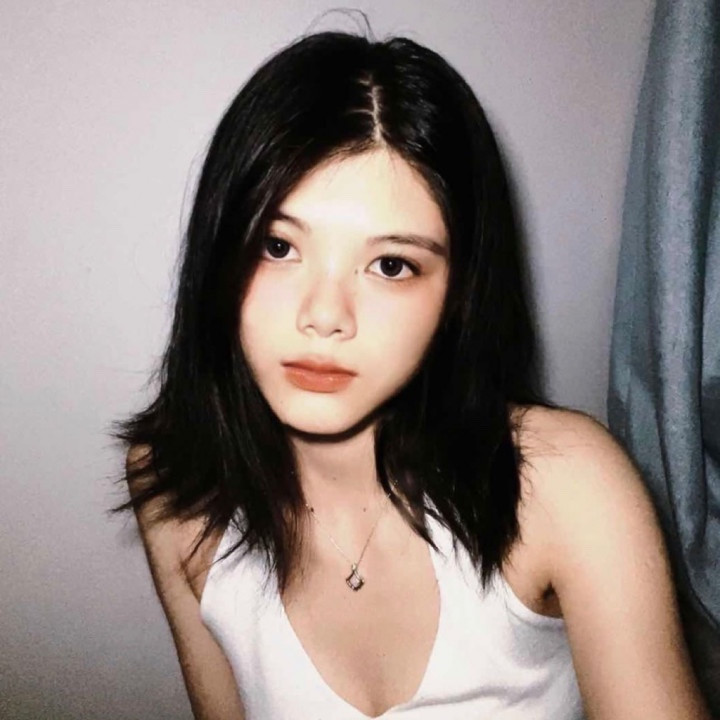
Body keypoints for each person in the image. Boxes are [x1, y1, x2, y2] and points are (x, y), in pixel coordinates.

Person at [116, 29, 710, 720]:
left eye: (391, 265)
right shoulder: (174, 485)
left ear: (456, 295)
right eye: (278, 246)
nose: (325, 316)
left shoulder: (564, 484)